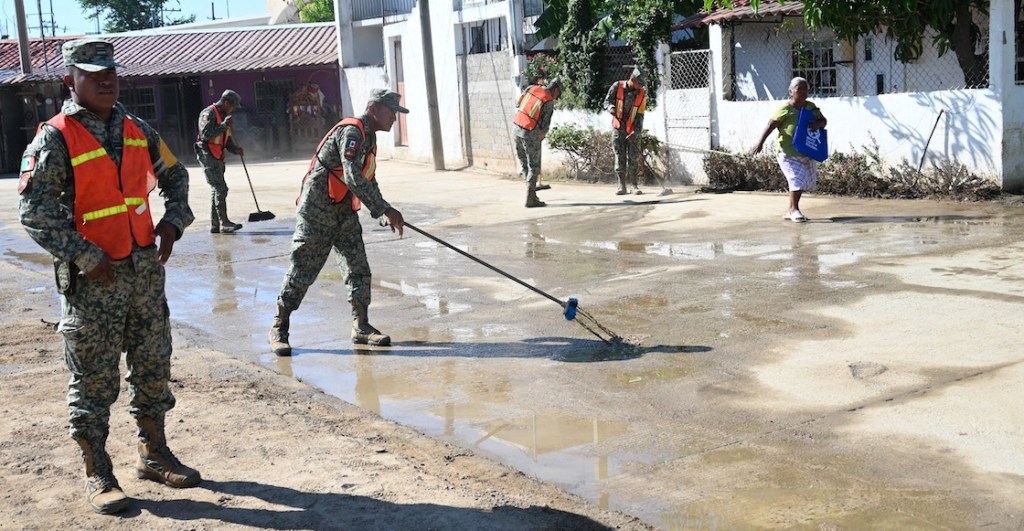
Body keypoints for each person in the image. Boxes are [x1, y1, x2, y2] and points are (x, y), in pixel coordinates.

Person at [17, 39, 200, 515]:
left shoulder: (138, 129)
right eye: (93, 73)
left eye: (111, 72)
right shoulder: (56, 137)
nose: (105, 80)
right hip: (94, 283)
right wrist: (83, 254)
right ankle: (98, 471)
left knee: (153, 366)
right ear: (69, 80)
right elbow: (34, 211)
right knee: (94, 380)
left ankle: (154, 453)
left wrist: (173, 221)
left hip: (143, 275)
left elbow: (176, 175)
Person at [268, 88, 407, 356]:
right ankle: (279, 327)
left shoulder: (369, 138)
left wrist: (382, 211)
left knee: (358, 267)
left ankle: (361, 326)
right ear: (373, 109)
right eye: (391, 111)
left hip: (343, 211)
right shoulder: (353, 132)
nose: (394, 118)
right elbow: (353, 177)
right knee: (303, 269)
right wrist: (384, 209)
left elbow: (367, 178)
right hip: (317, 211)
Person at [752, 76, 828, 222]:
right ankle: (794, 210)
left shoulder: (811, 107)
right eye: (800, 89)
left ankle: (790, 210)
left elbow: (824, 121)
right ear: (791, 91)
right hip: (787, 152)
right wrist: (760, 142)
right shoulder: (785, 109)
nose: (804, 91)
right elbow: (770, 125)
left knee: (805, 182)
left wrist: (818, 124)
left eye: (806, 88)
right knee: (796, 179)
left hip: (806, 150)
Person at [196, 89, 245, 233]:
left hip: (217, 155)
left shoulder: (224, 115)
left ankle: (215, 224)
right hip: (207, 154)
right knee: (221, 188)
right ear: (226, 102)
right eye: (233, 106)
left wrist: (235, 149)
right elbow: (205, 134)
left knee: (216, 189)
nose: (234, 109)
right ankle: (225, 223)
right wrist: (224, 125)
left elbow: (225, 139)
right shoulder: (208, 113)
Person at [513, 78, 563, 208]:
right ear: (556, 90)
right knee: (534, 166)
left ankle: (532, 193)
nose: (557, 97)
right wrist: (539, 138)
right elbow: (544, 127)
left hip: (516, 128)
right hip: (530, 131)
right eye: (559, 94)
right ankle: (530, 198)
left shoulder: (531, 88)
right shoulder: (548, 101)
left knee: (525, 164)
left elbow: (518, 103)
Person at [605, 67, 648, 195]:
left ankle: (634, 185)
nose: (640, 86)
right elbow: (607, 101)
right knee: (620, 156)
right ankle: (621, 185)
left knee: (633, 157)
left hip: (633, 130)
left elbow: (640, 114)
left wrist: (636, 132)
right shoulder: (617, 86)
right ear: (632, 79)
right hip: (619, 128)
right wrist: (611, 108)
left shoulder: (641, 93)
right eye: (639, 83)